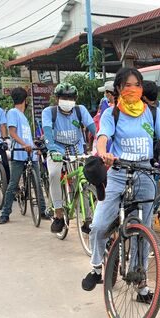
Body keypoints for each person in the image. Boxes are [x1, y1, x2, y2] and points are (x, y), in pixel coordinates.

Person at [80, 68, 160, 299]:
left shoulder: (152, 113)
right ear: (119, 89)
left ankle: (140, 284)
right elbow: (103, 138)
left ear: (142, 88)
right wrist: (104, 154)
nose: (132, 89)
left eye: (136, 85)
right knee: (100, 224)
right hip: (118, 171)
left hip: (145, 172)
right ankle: (96, 268)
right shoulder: (111, 114)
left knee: (144, 232)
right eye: (126, 85)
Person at [42, 82, 97, 233]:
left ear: (75, 99)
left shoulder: (80, 110)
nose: (67, 100)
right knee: (54, 173)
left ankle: (88, 218)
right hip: (57, 150)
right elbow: (47, 132)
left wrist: (101, 143)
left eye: (71, 97)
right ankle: (58, 213)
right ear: (57, 98)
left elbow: (94, 129)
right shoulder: (49, 112)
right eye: (64, 97)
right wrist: (52, 149)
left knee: (85, 179)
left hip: (77, 149)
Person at [0, 87, 47, 224]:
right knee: (13, 184)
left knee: (38, 183)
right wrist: (24, 145)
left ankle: (42, 210)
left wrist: (33, 146)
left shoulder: (24, 116)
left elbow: (26, 136)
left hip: (30, 154)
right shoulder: (13, 112)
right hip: (19, 154)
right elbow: (12, 133)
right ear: (25, 100)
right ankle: (5, 214)